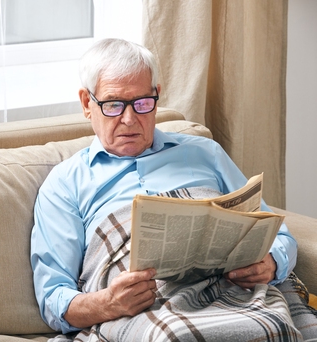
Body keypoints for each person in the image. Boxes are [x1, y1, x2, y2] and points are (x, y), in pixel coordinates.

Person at [30, 38, 302, 340]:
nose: (130, 119)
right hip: (141, 310)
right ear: (86, 103)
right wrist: (108, 303)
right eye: (113, 105)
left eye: (142, 103)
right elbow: (53, 298)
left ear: (157, 95)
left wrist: (272, 262)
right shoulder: (65, 182)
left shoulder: (205, 153)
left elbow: (277, 233)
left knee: (275, 327)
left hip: (232, 291)